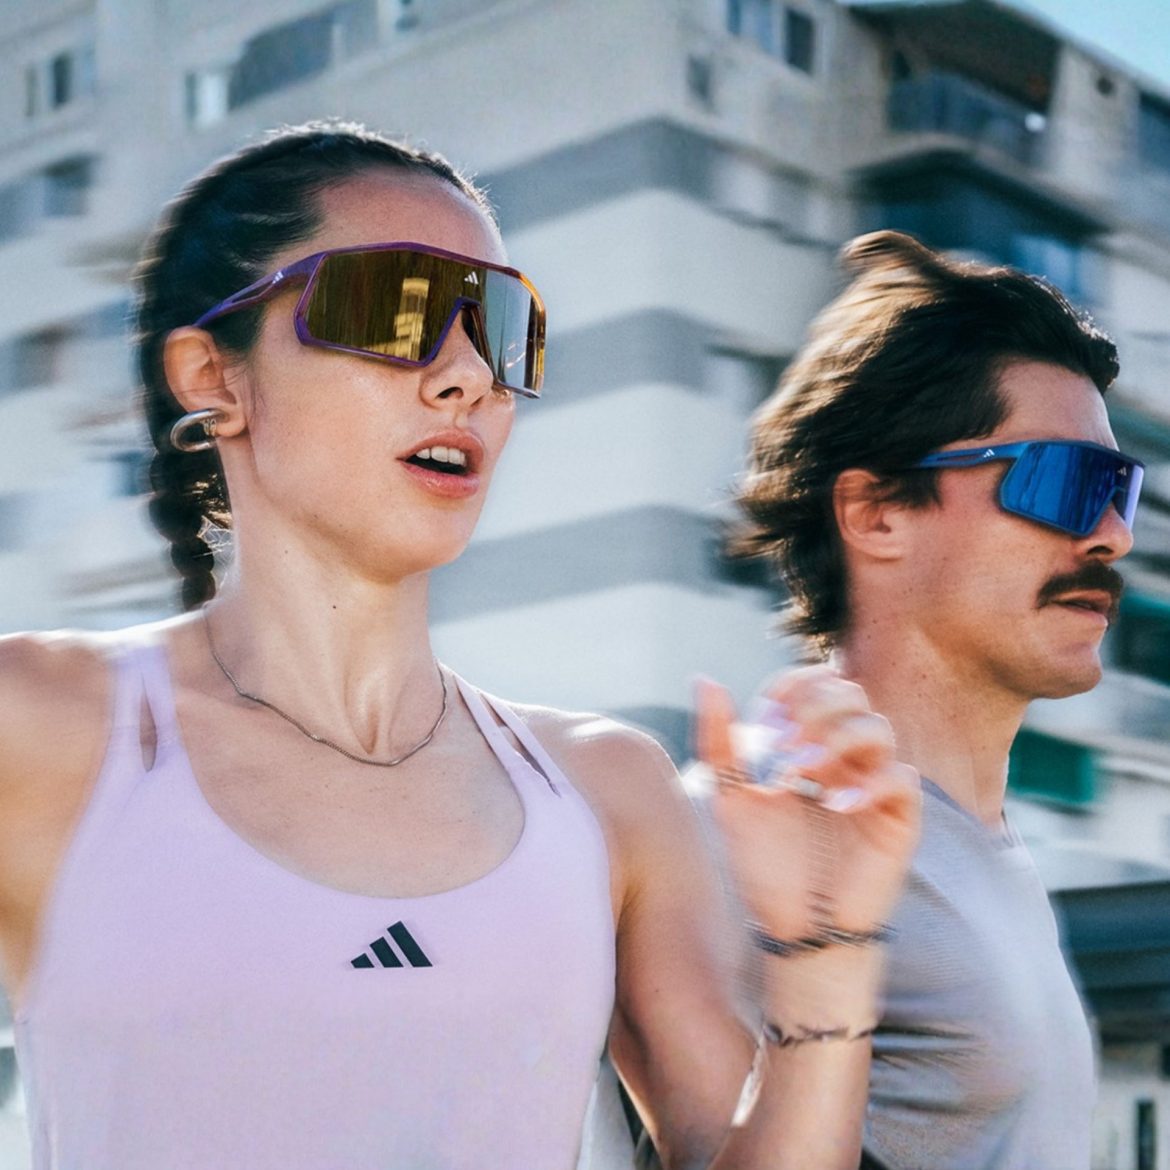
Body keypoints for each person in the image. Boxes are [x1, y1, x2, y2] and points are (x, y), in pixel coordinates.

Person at [0, 122, 919, 1170]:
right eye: (397, 310)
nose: (470, 377)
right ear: (213, 375)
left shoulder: (605, 790)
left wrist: (829, 950)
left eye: (503, 328)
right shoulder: (44, 725)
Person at [728, 230, 1140, 1169]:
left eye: (1119, 487)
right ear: (878, 512)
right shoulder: (766, 824)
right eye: (1064, 482)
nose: (1113, 535)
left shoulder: (987, 847)